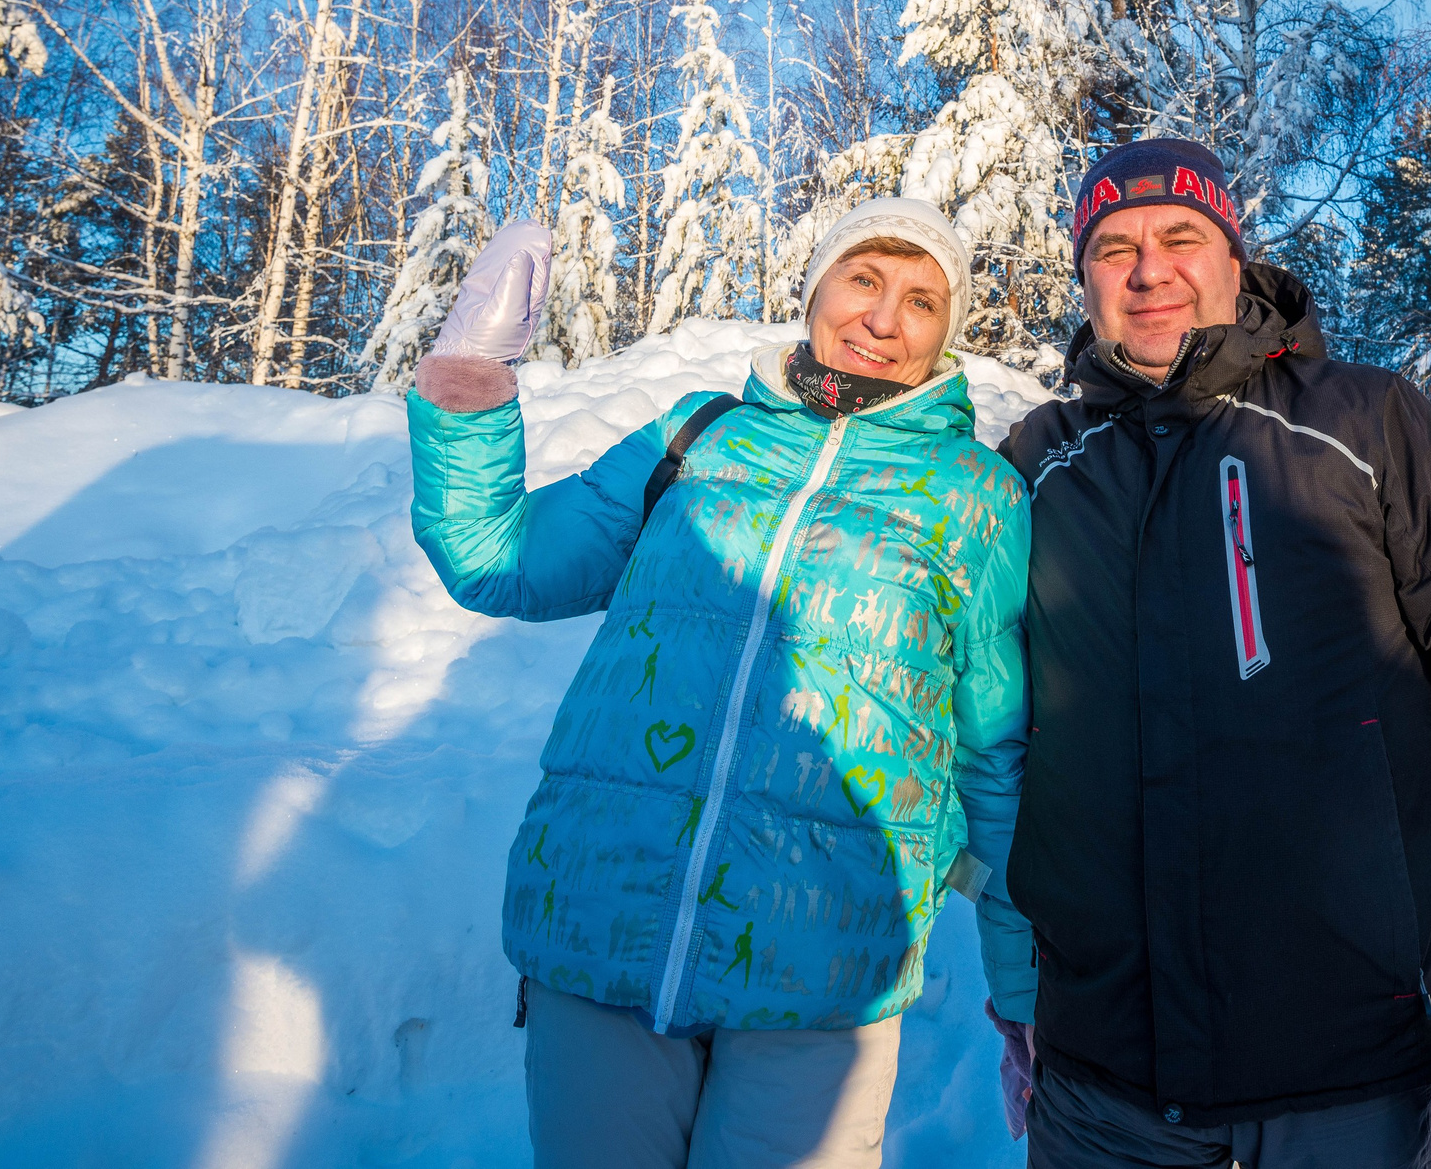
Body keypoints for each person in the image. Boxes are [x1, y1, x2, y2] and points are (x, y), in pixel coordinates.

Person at [991, 139, 1431, 1169]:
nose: (1147, 269)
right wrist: (1015, 988)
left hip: (1347, 1079)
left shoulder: (1367, 424)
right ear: (1084, 279)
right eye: (1112, 248)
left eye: (1179, 237)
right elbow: (992, 739)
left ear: (1234, 261)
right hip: (1098, 1083)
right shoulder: (1034, 466)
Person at [407, 196, 1035, 1169]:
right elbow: (498, 556)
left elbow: (993, 760)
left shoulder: (978, 492)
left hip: (826, 962)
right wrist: (471, 382)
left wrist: (1025, 998)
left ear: (943, 333)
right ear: (815, 288)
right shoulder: (698, 435)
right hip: (605, 916)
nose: (883, 316)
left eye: (920, 298)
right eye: (863, 278)